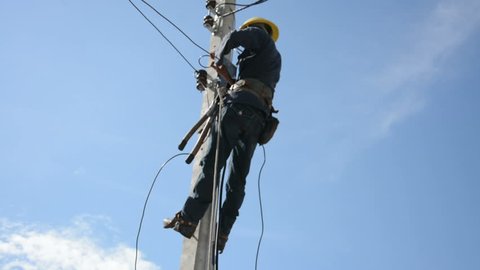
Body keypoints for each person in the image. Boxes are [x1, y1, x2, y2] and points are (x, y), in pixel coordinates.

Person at [164, 17, 282, 253]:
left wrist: (218, 56)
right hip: (256, 119)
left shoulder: (258, 36)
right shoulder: (270, 59)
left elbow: (232, 37)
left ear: (257, 29)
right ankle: (222, 234)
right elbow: (248, 85)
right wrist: (227, 77)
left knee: (211, 164)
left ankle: (188, 219)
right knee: (237, 181)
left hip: (237, 109)